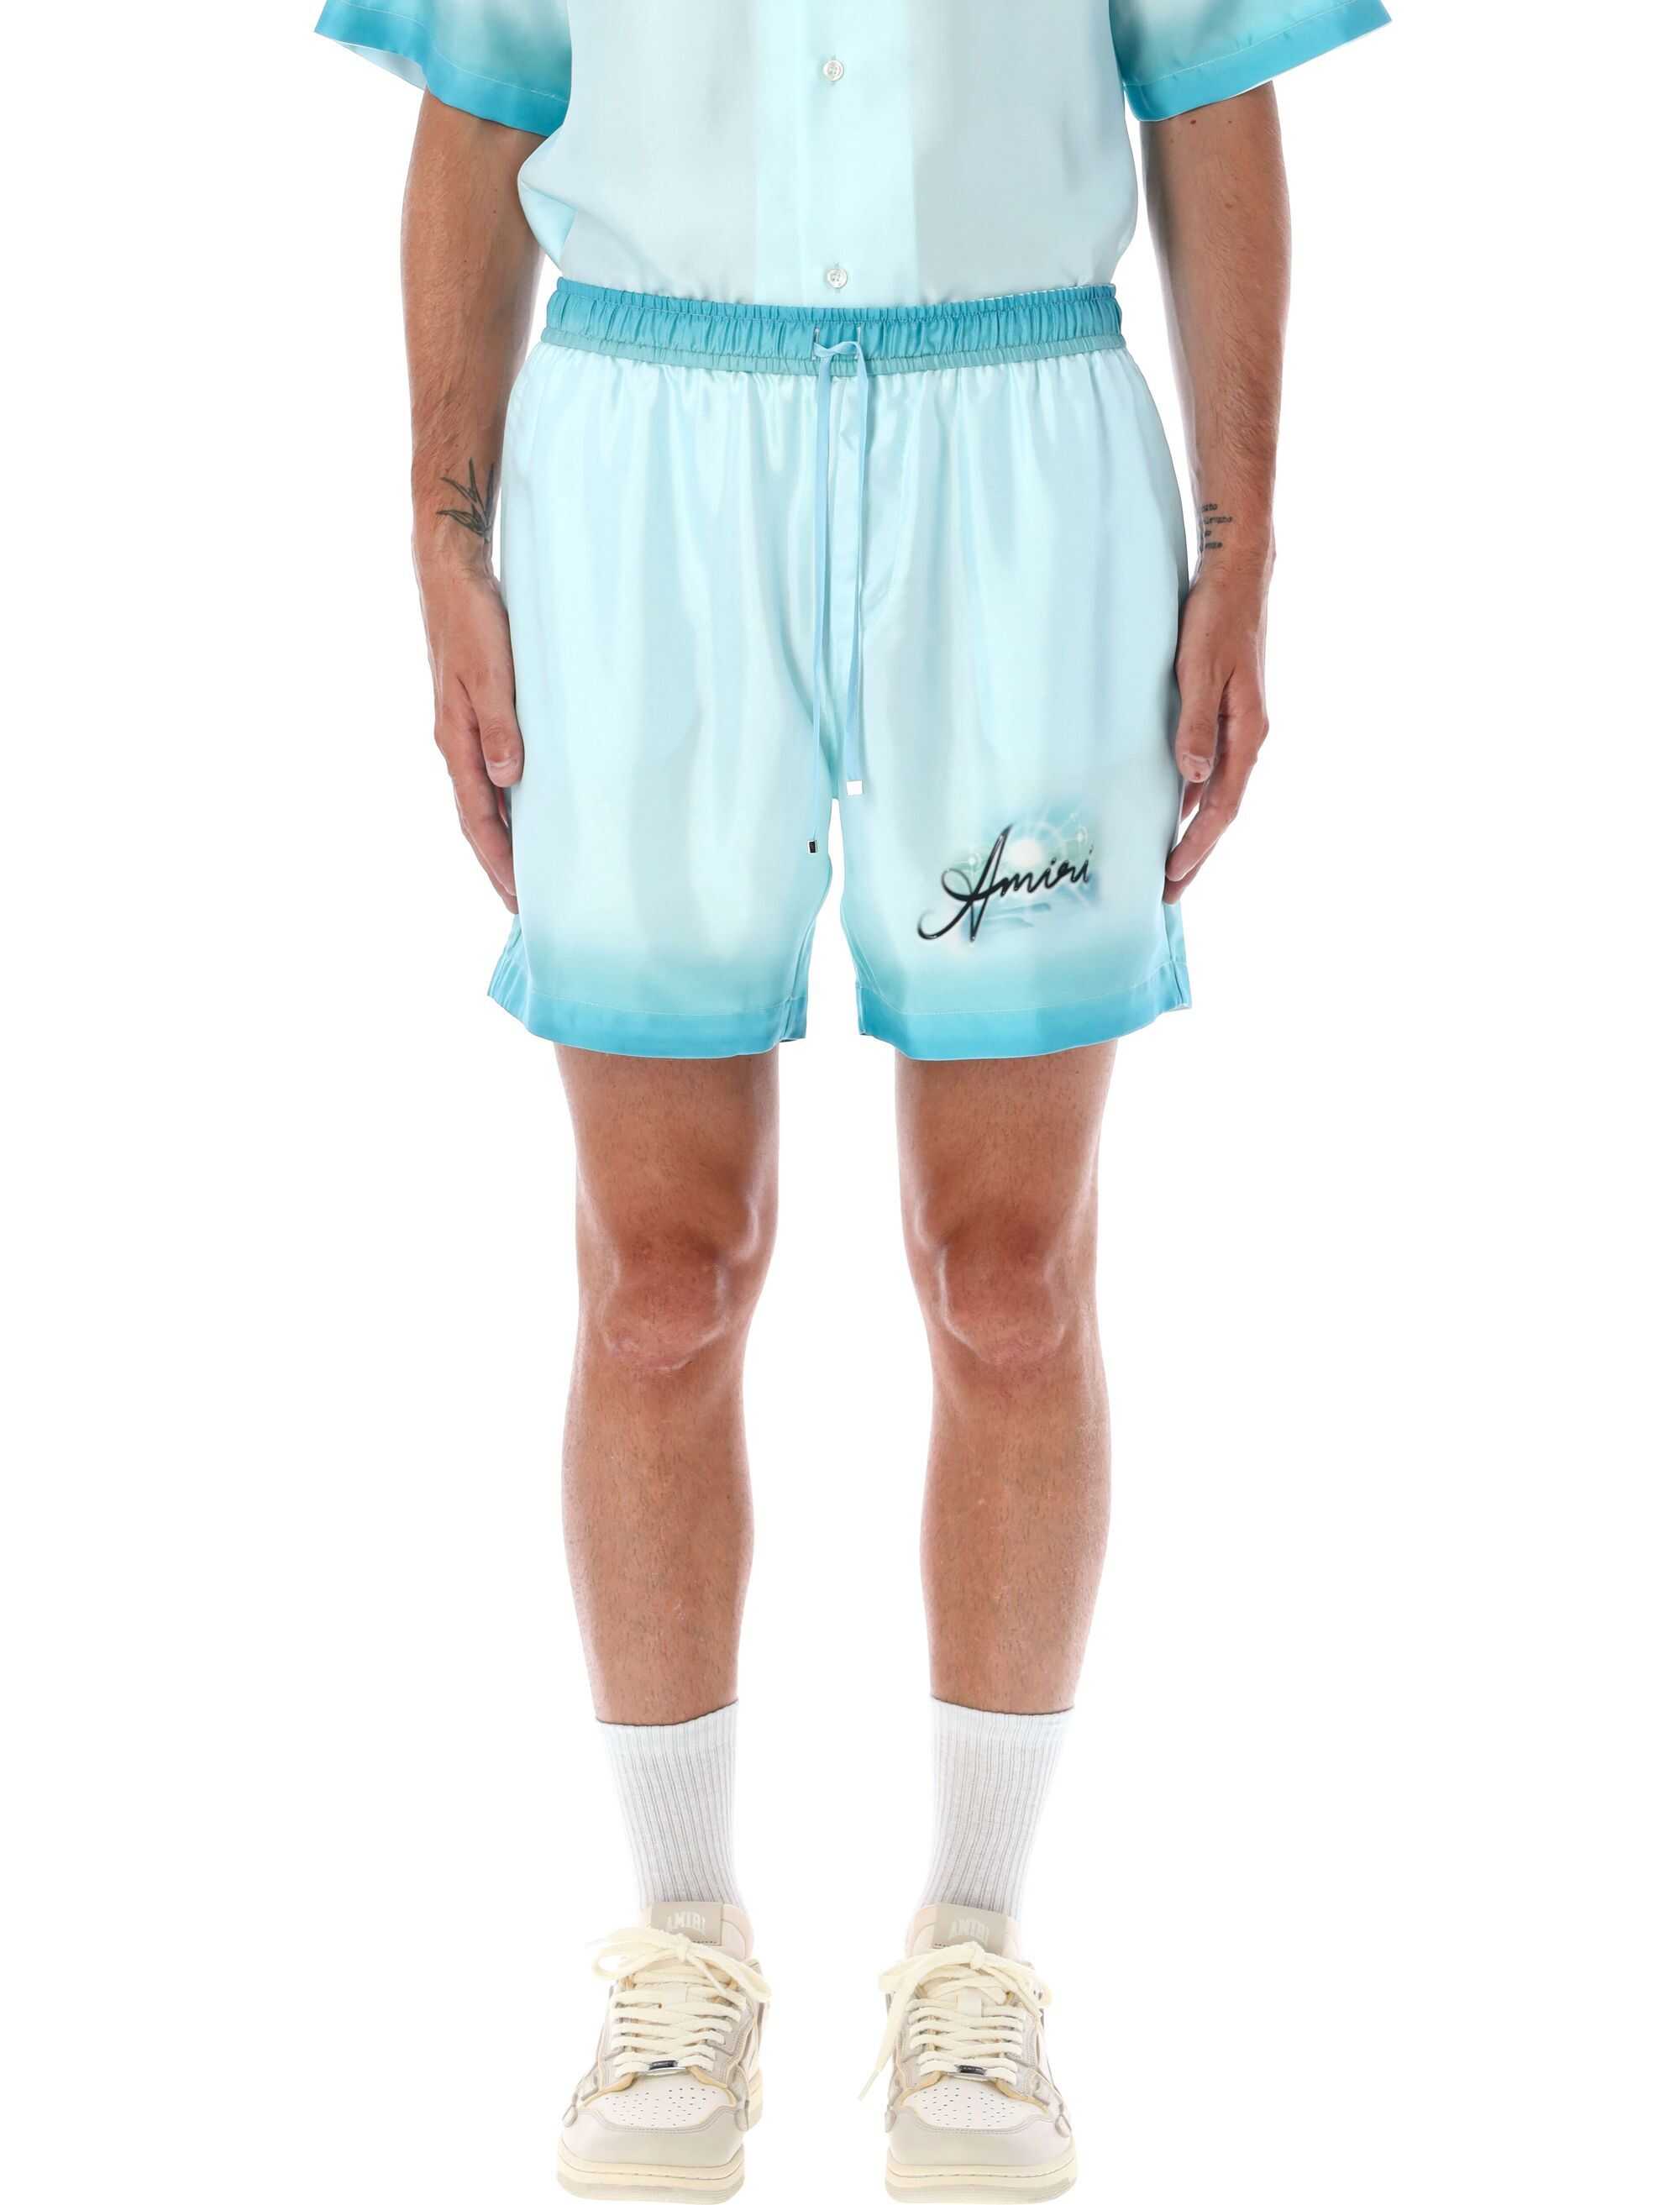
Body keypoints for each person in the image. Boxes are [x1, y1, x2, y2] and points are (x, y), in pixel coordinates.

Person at [316, 3, 1389, 2194]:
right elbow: (483, 92)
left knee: (1011, 1275)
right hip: (645, 479)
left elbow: (1211, 90)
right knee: (658, 1281)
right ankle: (678, 1944)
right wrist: (443, 526)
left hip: (1017, 474)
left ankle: (975, 1951)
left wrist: (1245, 540)